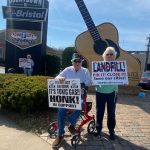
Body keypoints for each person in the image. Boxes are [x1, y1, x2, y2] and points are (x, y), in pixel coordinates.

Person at [52, 53, 91, 148]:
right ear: (72, 62)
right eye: (75, 61)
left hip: (79, 95)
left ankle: (71, 124)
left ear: (81, 62)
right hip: (67, 95)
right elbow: (56, 78)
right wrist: (60, 78)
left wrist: (82, 84)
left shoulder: (85, 71)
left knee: (80, 104)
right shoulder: (67, 69)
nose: (77, 63)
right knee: (61, 108)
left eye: (79, 61)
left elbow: (89, 82)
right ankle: (60, 134)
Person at [94, 47, 118, 140]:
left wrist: (124, 81)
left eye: (111, 54)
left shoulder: (118, 66)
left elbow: (122, 77)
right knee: (99, 112)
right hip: (100, 92)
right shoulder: (98, 66)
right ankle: (98, 128)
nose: (109, 55)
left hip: (112, 92)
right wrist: (93, 81)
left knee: (111, 113)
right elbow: (95, 78)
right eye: (107, 54)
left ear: (114, 56)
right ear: (104, 55)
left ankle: (111, 131)